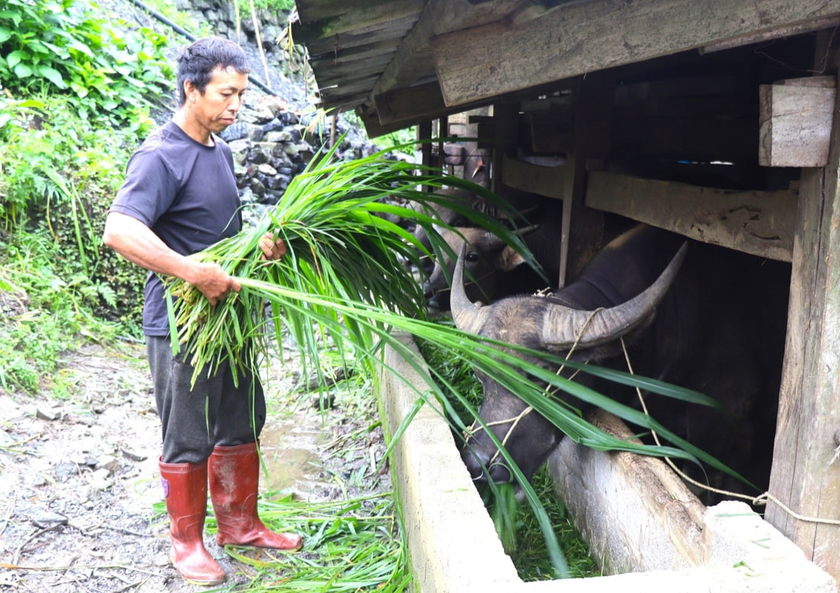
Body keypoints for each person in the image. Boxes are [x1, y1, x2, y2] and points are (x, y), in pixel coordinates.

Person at [102, 37, 301, 586]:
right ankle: (185, 544)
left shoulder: (219, 150)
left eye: (241, 94)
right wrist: (193, 273)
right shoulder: (160, 154)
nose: (236, 106)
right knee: (187, 433)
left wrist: (258, 244)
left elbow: (217, 234)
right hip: (181, 323)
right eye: (226, 94)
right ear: (192, 89)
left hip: (226, 320)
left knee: (241, 420)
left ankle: (240, 525)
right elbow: (119, 230)